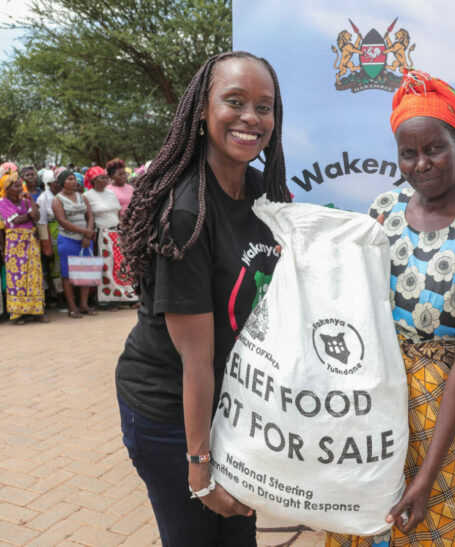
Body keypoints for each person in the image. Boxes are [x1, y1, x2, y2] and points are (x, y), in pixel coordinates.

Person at [326, 70, 455, 547]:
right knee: (364, 528)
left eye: (433, 148)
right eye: (408, 153)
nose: (420, 164)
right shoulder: (384, 210)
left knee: (440, 529)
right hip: (373, 404)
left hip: (449, 418)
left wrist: (425, 475)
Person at [115, 51, 291, 547]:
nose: (251, 118)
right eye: (234, 102)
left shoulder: (261, 192)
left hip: (230, 406)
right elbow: (197, 360)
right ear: (201, 110)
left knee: (238, 537)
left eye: (264, 106)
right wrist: (200, 468)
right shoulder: (184, 215)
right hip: (171, 412)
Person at [84, 166, 138, 306]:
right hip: (103, 235)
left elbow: (118, 213)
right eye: (102, 178)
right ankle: (109, 300)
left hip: (117, 233)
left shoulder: (110, 193)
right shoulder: (88, 196)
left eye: (106, 177)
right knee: (106, 267)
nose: (106, 180)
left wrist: (123, 229)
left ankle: (128, 297)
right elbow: (89, 217)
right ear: (93, 180)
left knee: (122, 265)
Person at [0, 172, 47, 324]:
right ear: (7, 188)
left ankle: (36, 311)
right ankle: (19, 313)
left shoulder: (25, 201)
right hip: (15, 243)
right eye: (15, 186)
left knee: (34, 276)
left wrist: (31, 201)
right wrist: (30, 215)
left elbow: (37, 217)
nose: (19, 188)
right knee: (17, 278)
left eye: (20, 185)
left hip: (31, 241)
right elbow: (17, 220)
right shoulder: (3, 203)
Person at [52, 169, 97, 318]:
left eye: (74, 179)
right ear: (61, 183)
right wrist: (85, 232)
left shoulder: (82, 197)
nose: (73, 182)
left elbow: (89, 216)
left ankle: (83, 305)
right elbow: (63, 222)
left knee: (85, 272)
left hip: (85, 240)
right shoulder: (57, 200)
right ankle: (72, 307)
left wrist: (88, 233)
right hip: (68, 240)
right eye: (69, 179)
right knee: (67, 274)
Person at [36, 170, 63, 298]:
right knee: (55, 266)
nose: (59, 184)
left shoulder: (66, 194)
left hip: (66, 231)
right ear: (49, 183)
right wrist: (47, 247)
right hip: (52, 232)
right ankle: (60, 297)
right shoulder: (43, 199)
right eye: (55, 182)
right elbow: (42, 223)